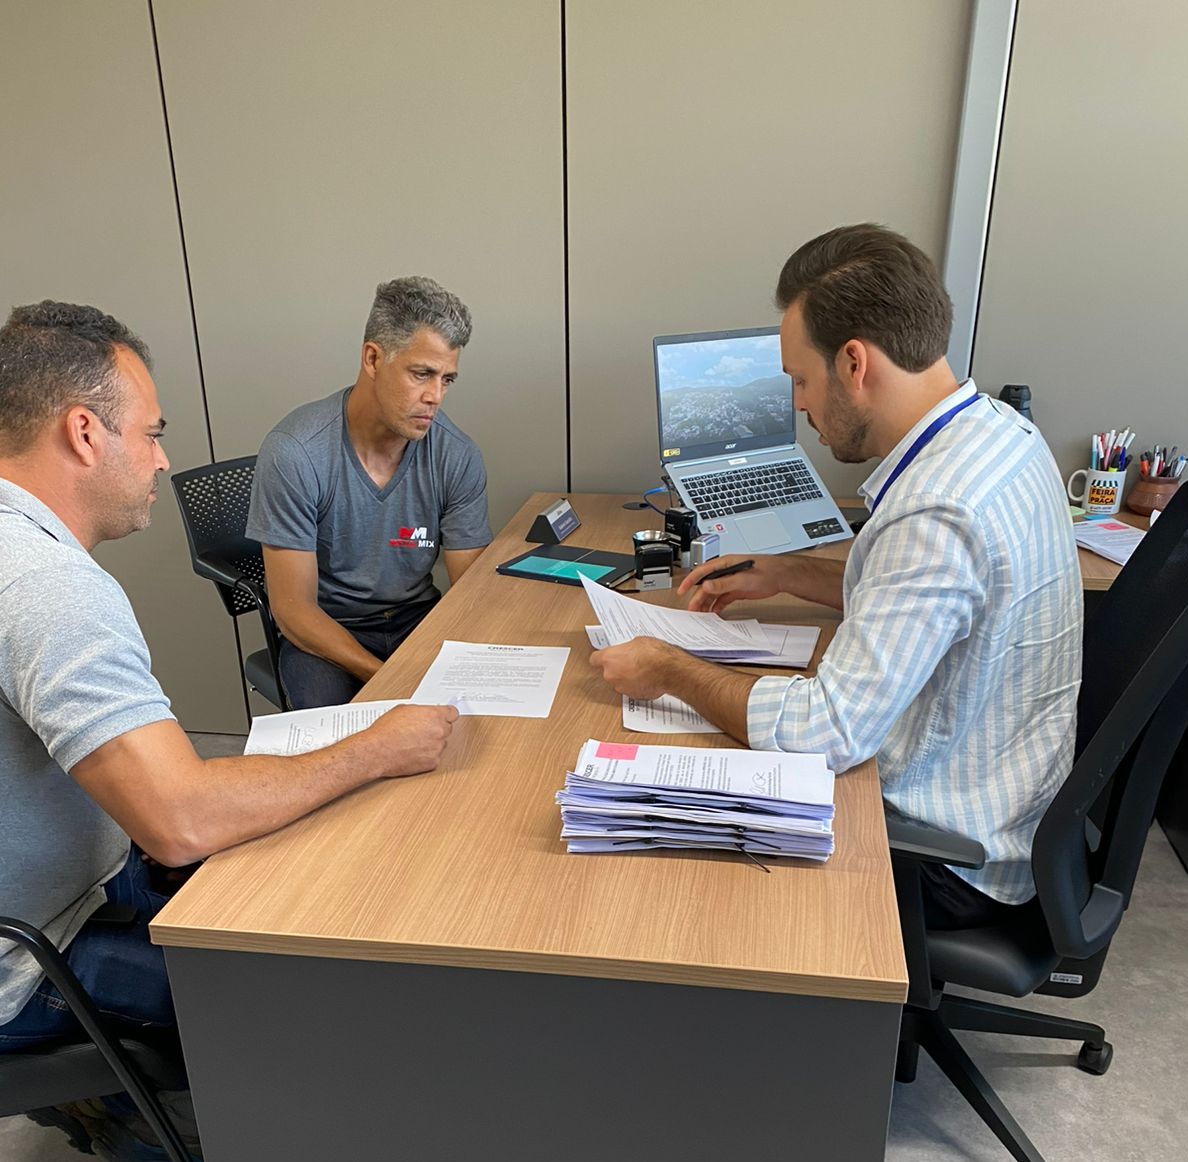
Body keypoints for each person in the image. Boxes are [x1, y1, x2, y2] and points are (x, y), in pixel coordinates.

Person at [0, 300, 458, 1162]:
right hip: (31, 955)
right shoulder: (46, 587)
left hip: (74, 877)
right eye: (151, 433)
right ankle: (181, 1146)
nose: (161, 459)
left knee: (279, 895)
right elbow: (180, 819)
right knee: (316, 1006)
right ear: (85, 433)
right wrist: (378, 747)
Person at [590, 224, 1083, 926]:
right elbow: (928, 598)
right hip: (1009, 803)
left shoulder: (936, 511)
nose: (797, 404)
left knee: (650, 871)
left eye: (800, 379)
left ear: (854, 363)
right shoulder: (999, 432)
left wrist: (670, 668)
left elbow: (825, 732)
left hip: (947, 857)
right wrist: (789, 573)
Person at [246, 276, 492, 709]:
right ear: (373, 359)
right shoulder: (295, 453)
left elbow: (471, 593)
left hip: (417, 619)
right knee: (336, 739)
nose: (435, 396)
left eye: (447, 379)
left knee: (479, 719)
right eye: (422, 374)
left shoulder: (457, 455)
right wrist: (386, 679)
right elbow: (294, 612)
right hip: (325, 631)